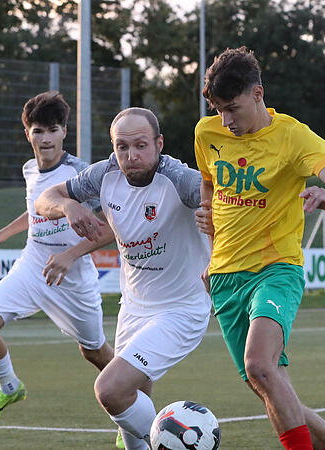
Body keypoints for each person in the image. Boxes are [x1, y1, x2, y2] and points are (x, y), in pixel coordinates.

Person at [193, 47, 325, 450]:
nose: (225, 121)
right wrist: (211, 248)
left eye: (232, 108)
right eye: (218, 111)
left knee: (258, 367)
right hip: (225, 278)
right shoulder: (206, 133)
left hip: (275, 269)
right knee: (271, 384)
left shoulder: (293, 137)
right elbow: (209, 187)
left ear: (258, 93)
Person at [35, 107, 212, 450]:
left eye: (141, 145)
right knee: (131, 421)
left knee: (110, 389)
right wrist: (70, 207)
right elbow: (47, 198)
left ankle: (186, 440)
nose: (131, 156)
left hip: (181, 309)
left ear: (159, 144)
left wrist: (218, 256)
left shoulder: (181, 179)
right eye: (122, 146)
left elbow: (226, 206)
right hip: (133, 308)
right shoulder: (103, 175)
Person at [0, 91, 115, 427]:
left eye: (52, 130)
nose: (45, 138)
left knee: (94, 352)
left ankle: (133, 415)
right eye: (38, 131)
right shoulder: (30, 169)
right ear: (27, 134)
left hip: (73, 279)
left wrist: (70, 255)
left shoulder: (81, 175)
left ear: (64, 131)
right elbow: (35, 210)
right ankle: (9, 387)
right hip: (32, 268)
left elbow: (110, 231)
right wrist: (1, 235)